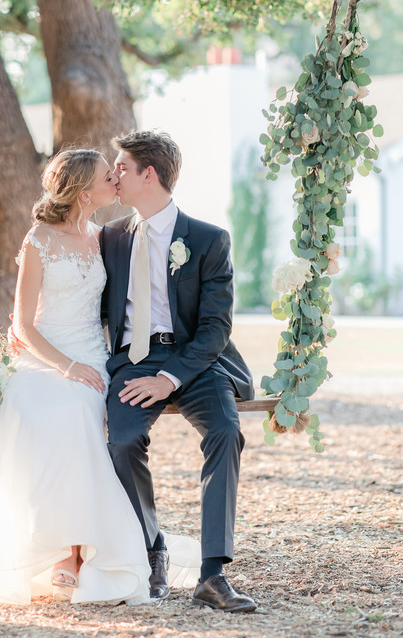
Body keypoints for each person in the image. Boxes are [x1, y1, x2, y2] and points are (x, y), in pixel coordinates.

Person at [0, 149, 153, 605]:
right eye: (110, 177)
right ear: (86, 193)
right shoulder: (39, 240)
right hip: (45, 353)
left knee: (78, 411)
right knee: (35, 410)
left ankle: (76, 555)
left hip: (91, 351)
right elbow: (23, 324)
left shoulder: (104, 236)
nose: (117, 181)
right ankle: (49, 546)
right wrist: (64, 365)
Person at [100, 130, 258, 613]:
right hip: (132, 360)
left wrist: (169, 379)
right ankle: (153, 552)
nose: (113, 175)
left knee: (226, 431)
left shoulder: (209, 240)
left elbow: (215, 329)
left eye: (121, 167)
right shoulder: (108, 239)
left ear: (149, 174)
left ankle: (213, 574)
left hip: (196, 360)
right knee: (122, 442)